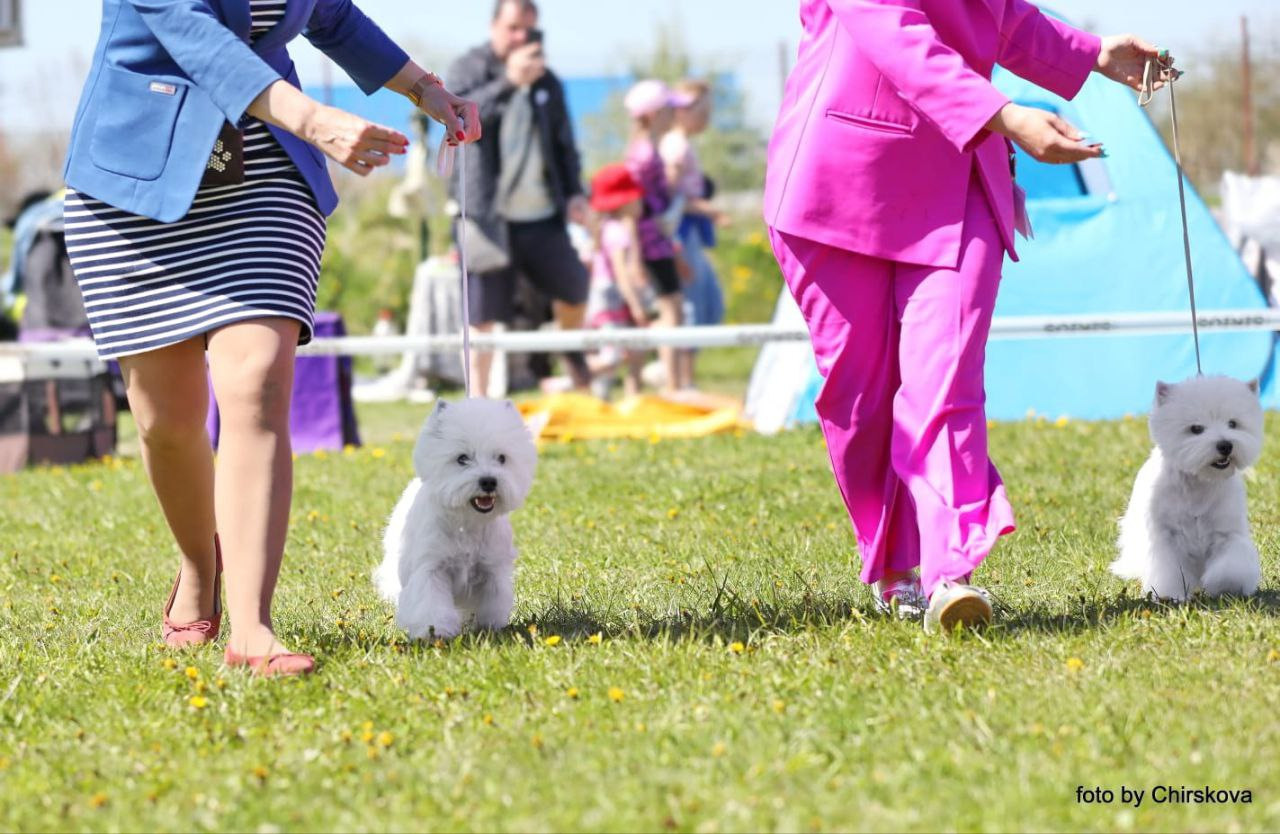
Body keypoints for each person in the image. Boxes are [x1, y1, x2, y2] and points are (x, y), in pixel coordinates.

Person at [62, 0, 480, 676]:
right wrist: (315, 118)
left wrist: (425, 88)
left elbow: (332, 15)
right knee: (165, 422)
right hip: (136, 179)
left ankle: (254, 627)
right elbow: (191, 31)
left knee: (256, 382)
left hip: (265, 177)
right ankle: (200, 566)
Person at [765, 0, 1164, 631]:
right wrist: (1005, 114)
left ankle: (948, 572)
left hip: (960, 181)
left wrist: (1092, 53)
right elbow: (897, 36)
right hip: (837, 188)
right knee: (860, 398)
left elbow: (995, 13)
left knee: (945, 380)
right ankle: (895, 566)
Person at [447, 0, 592, 397]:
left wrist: (576, 193)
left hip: (542, 213)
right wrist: (510, 81)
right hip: (485, 216)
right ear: (494, 25)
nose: (520, 38)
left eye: (529, 30)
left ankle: (577, 376)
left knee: (575, 288)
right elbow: (458, 120)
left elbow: (565, 145)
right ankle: (477, 402)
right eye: (512, 28)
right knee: (482, 315)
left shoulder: (549, 82)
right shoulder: (468, 68)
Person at [624, 79, 694, 395]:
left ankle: (673, 381)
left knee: (674, 309)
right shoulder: (642, 154)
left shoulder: (648, 150)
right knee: (671, 310)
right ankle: (672, 383)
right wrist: (636, 256)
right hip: (650, 245)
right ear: (653, 115)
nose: (674, 116)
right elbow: (632, 209)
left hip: (659, 242)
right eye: (668, 110)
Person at [660, 79, 727, 388]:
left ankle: (683, 376)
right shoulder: (675, 146)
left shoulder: (682, 144)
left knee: (709, 304)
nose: (707, 116)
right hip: (680, 233)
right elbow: (669, 195)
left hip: (692, 232)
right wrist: (705, 209)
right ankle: (681, 380)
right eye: (702, 109)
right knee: (691, 305)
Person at [583, 163, 652, 399]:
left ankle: (607, 398)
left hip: (604, 298)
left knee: (622, 351)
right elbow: (622, 274)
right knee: (612, 356)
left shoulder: (606, 228)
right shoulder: (617, 232)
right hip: (610, 299)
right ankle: (571, 378)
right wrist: (636, 306)